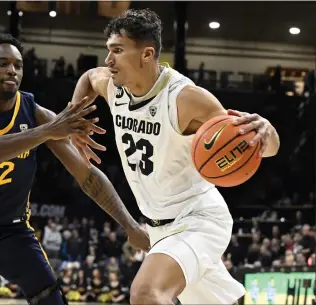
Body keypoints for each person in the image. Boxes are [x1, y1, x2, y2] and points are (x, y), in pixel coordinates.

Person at [70, 9, 280, 305]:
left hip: (198, 219)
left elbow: (260, 146)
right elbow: (90, 78)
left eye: (117, 51)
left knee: (146, 293)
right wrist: (75, 115)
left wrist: (267, 132)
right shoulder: (114, 87)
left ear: (147, 54)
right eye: (108, 50)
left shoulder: (185, 99)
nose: (108, 60)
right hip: (160, 228)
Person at [0, 35, 149, 305]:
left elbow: (87, 176)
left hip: (11, 229)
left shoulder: (36, 114)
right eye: (3, 63)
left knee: (52, 300)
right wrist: (46, 132)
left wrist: (130, 225)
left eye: (18, 65)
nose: (12, 71)